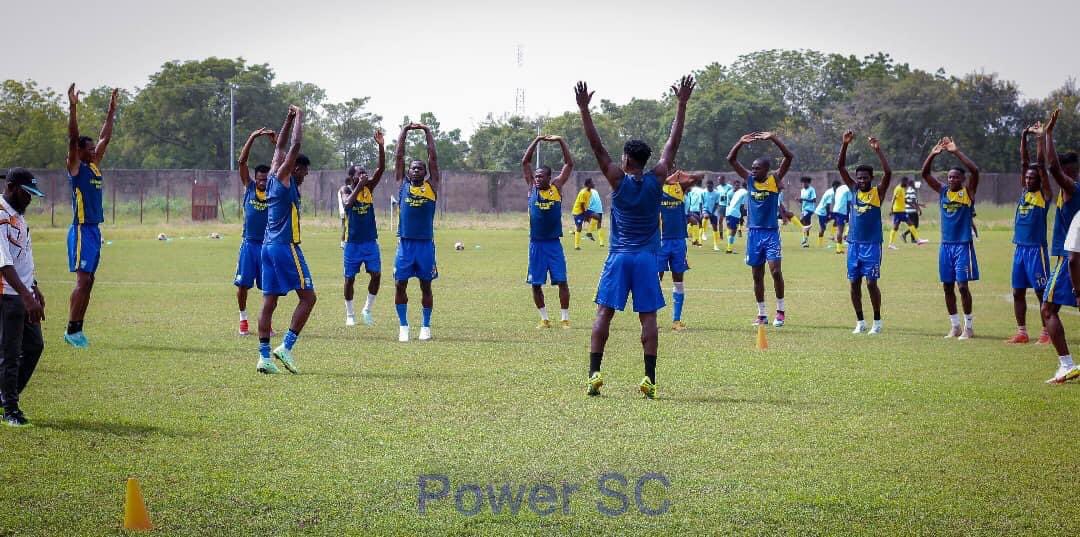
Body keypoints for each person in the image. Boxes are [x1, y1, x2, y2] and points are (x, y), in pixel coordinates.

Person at [577, 75, 695, 400]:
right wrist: (681, 103)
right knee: (649, 319)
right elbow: (673, 143)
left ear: (627, 160)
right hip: (646, 259)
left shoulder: (617, 180)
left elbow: (597, 147)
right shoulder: (658, 178)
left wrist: (584, 109)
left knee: (604, 314)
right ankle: (649, 379)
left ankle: (594, 374)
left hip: (619, 257)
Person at [256, 106, 314, 374]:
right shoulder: (283, 177)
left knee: (270, 301)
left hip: (267, 247)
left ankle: (264, 357)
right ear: (296, 169)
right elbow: (294, 144)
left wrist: (288, 118)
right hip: (284, 246)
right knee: (308, 298)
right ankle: (286, 347)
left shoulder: (269, 178)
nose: (305, 175)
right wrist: (300, 116)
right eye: (304, 170)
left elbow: (279, 146)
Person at [63, 84, 117, 348]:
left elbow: (105, 136)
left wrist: (111, 111)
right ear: (80, 151)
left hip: (95, 230)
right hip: (82, 229)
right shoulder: (76, 168)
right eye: (90, 148)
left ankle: (77, 329)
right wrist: (73, 107)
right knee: (82, 280)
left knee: (90, 280)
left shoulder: (94, 166)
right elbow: (73, 138)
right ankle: (70, 330)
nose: (95, 150)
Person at [727, 131, 794, 327]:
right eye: (753, 168)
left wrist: (773, 138)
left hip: (771, 233)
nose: (753, 171)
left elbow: (789, 157)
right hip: (753, 234)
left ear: (766, 169)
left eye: (757, 168)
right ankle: (762, 314)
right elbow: (731, 159)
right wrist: (740, 141)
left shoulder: (774, 180)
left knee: (775, 271)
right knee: (757, 275)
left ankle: (780, 310)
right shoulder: (748, 180)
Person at [920, 136, 980, 340]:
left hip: (962, 245)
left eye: (956, 177)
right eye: (950, 177)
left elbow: (975, 171)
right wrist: (933, 154)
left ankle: (968, 327)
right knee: (947, 286)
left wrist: (955, 151)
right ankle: (954, 326)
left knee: (962, 286)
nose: (952, 180)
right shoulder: (943, 191)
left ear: (962, 180)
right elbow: (925, 173)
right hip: (945, 246)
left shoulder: (968, 192)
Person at [0, 169, 46, 427]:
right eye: (27, 193)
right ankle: (10, 410)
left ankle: (4, 397)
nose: (30, 199)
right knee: (9, 352)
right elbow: (4, 263)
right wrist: (26, 296)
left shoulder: (18, 216)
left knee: (34, 346)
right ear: (12, 187)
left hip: (23, 293)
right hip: (7, 295)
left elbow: (23, 256)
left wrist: (34, 286)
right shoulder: (0, 215)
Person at [837, 132, 892, 334]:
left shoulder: (877, 193)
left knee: (871, 283)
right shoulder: (853, 190)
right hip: (853, 244)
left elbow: (888, 173)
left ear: (871, 178)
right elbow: (841, 167)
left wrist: (878, 151)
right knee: (854, 283)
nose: (861, 181)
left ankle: (877, 321)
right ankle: (860, 322)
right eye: (859, 178)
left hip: (872, 244)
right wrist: (845, 145)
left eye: (865, 178)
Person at [1040, 109, 1080, 383]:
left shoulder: (1070, 187)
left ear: (1067, 172)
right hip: (1070, 254)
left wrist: (1049, 133)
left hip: (1071, 257)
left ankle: (1066, 364)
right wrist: (1041, 138)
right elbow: (1046, 165)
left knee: (1048, 309)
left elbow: (1051, 167)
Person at [393, 123, 441, 342]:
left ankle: (425, 326)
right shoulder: (402, 185)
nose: (416, 171)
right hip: (405, 244)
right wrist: (404, 131)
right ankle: (403, 326)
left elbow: (433, 158)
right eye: (413, 168)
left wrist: (426, 131)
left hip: (425, 245)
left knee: (425, 285)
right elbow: (399, 156)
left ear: (425, 172)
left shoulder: (432, 186)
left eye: (420, 169)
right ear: (408, 172)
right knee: (400, 284)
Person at [522, 134, 575, 328]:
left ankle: (565, 318)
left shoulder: (556, 187)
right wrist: (536, 141)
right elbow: (525, 161)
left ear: (549, 178)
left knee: (562, 281)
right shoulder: (531, 188)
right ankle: (544, 319)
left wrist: (561, 141)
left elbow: (569, 163)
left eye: (541, 176)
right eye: (535, 176)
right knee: (536, 284)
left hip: (554, 243)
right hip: (536, 243)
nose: (537, 179)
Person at [1006, 122, 1052, 344]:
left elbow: (1040, 165)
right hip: (1020, 249)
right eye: (1026, 178)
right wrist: (1023, 135)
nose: (1028, 179)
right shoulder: (1024, 192)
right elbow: (1024, 162)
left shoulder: (1044, 195)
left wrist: (1039, 138)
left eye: (1032, 178)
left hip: (1036, 250)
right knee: (1017, 292)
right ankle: (1022, 332)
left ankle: (1046, 332)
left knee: (1041, 291)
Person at [341, 130, 386, 327]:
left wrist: (381, 146)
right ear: (352, 177)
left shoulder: (369, 188)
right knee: (349, 279)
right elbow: (348, 204)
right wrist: (359, 185)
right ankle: (350, 314)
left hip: (370, 242)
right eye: (360, 173)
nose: (364, 175)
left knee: (376, 275)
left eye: (364, 172)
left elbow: (381, 169)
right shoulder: (347, 190)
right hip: (352, 243)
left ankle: (367, 309)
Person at [234, 128, 275, 336]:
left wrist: (277, 143)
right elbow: (242, 163)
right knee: (243, 285)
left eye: (265, 179)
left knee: (269, 288)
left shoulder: (273, 191)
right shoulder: (249, 188)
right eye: (260, 178)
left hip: (268, 245)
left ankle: (265, 322)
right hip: (249, 244)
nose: (262, 181)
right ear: (255, 178)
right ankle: (243, 320)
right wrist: (252, 137)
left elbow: (283, 165)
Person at [658, 169, 702, 331]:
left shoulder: (680, 188)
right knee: (655, 280)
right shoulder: (655, 188)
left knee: (678, 281)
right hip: (660, 241)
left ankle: (676, 320)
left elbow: (698, 176)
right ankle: (651, 319)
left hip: (678, 241)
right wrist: (665, 180)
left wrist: (679, 175)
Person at [887, 177, 927, 249]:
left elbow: (904, 200)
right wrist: (891, 209)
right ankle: (917, 240)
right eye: (906, 182)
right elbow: (893, 199)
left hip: (902, 211)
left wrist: (914, 206)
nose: (907, 184)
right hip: (898, 211)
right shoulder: (898, 189)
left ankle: (917, 240)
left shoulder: (903, 189)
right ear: (903, 181)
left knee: (903, 225)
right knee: (904, 225)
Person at [724, 179, 748, 254]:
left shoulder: (738, 192)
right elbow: (742, 205)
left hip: (728, 211)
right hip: (735, 212)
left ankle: (729, 248)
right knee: (733, 231)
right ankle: (729, 249)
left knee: (730, 229)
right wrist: (742, 215)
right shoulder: (745, 192)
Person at [571, 179, 596, 250]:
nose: (594, 184)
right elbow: (582, 205)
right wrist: (585, 215)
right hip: (578, 212)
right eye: (592, 183)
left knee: (596, 218)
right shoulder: (583, 192)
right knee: (579, 228)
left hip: (584, 211)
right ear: (588, 184)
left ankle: (587, 233)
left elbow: (585, 204)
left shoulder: (590, 192)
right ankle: (576, 246)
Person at [831, 179, 852, 254]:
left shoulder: (839, 188)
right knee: (841, 230)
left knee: (840, 229)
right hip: (842, 211)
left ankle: (839, 248)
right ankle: (839, 249)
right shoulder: (849, 189)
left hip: (836, 210)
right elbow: (849, 202)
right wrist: (850, 214)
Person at [814, 181, 837, 248]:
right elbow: (827, 205)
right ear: (835, 186)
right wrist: (828, 214)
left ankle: (831, 235)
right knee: (823, 228)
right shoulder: (831, 193)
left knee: (836, 217)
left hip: (823, 211)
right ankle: (820, 244)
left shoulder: (830, 191)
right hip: (821, 212)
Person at [701, 180, 723, 251]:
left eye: (710, 186)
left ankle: (715, 245)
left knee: (715, 228)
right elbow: (701, 203)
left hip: (713, 212)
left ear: (712, 186)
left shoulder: (717, 193)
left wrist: (712, 212)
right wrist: (701, 211)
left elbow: (717, 204)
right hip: (705, 209)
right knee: (706, 216)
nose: (709, 187)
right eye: (707, 186)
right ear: (706, 185)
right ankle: (703, 233)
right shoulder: (703, 192)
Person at [339, 167, 356, 249]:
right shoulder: (345, 190)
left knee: (344, 226)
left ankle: (343, 242)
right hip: (345, 210)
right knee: (345, 226)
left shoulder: (342, 190)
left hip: (342, 210)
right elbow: (345, 201)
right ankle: (343, 242)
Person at [797, 176, 816, 248]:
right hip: (804, 209)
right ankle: (805, 241)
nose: (804, 184)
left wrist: (803, 199)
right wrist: (800, 201)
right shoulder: (802, 190)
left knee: (802, 221)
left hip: (810, 209)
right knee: (805, 225)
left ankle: (805, 239)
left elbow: (814, 200)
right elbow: (802, 201)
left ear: (808, 183)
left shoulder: (812, 190)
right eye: (803, 183)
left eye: (805, 183)